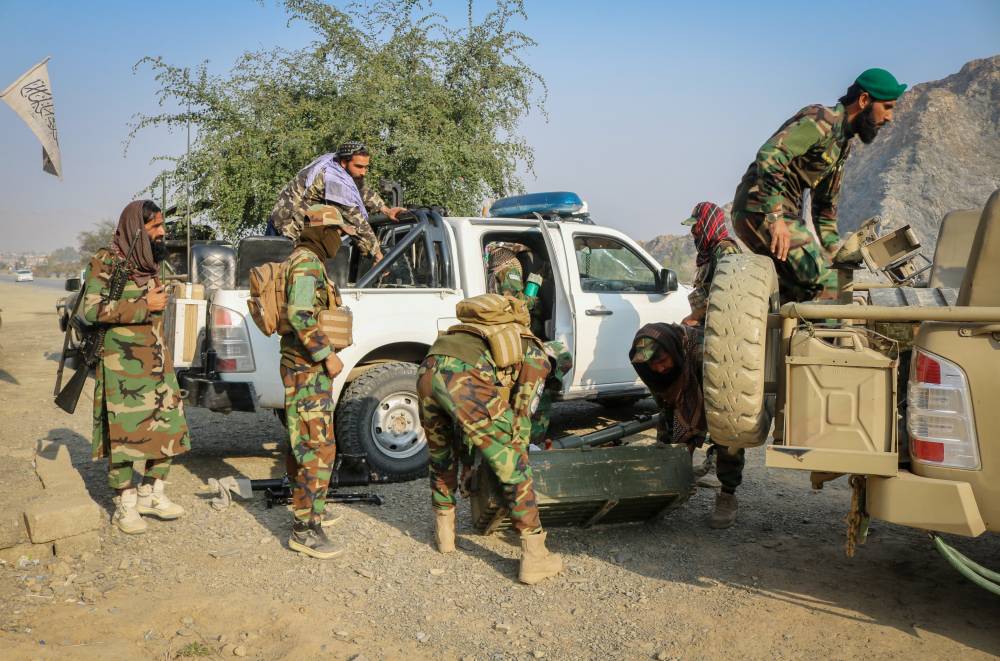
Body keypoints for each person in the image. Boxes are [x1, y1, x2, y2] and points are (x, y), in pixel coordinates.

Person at [417, 293, 563, 584]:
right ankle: (535, 555)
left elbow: (466, 426)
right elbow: (521, 420)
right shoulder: (536, 355)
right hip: (463, 379)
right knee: (512, 457)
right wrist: (509, 461)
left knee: (441, 454)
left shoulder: (478, 333)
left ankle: (445, 535)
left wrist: (472, 463)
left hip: (427, 371)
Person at [731, 68, 906, 303]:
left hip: (781, 216)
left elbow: (824, 209)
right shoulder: (821, 121)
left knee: (801, 291)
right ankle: (834, 340)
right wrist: (775, 218)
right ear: (864, 100)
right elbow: (770, 155)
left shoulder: (841, 145)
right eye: (887, 107)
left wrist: (838, 253)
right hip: (760, 208)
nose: (889, 117)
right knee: (829, 286)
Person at [82, 200, 189, 534]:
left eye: (161, 226)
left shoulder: (149, 263)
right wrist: (145, 304)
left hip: (156, 360)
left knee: (170, 427)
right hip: (121, 366)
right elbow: (91, 310)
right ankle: (125, 505)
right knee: (125, 435)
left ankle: (151, 493)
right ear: (135, 228)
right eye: (155, 227)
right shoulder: (106, 260)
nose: (162, 233)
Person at [280, 207, 352, 559]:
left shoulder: (305, 260)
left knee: (308, 441)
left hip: (304, 366)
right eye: (337, 232)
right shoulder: (307, 263)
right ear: (323, 231)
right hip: (308, 367)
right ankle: (305, 528)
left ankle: (312, 508)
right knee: (316, 444)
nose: (340, 239)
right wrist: (326, 354)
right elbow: (299, 312)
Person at [629, 323, 743, 529]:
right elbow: (667, 406)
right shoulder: (654, 369)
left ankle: (727, 495)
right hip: (686, 395)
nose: (659, 369)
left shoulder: (704, 351)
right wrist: (677, 442)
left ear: (672, 349)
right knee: (667, 435)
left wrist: (698, 426)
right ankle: (671, 487)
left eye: (662, 361)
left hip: (719, 394)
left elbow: (726, 396)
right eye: (652, 365)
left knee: (727, 438)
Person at [268, 141, 406, 261]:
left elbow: (360, 190)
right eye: (359, 166)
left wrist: (386, 210)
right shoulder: (333, 180)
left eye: (366, 167)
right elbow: (355, 220)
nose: (363, 172)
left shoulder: (335, 165)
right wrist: (377, 255)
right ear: (344, 162)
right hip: (287, 229)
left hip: (289, 220)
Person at [680, 202, 742, 327]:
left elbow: (728, 294)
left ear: (708, 224)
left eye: (696, 225)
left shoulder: (726, 251)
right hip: (709, 325)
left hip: (721, 329)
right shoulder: (708, 255)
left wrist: (694, 317)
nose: (692, 231)